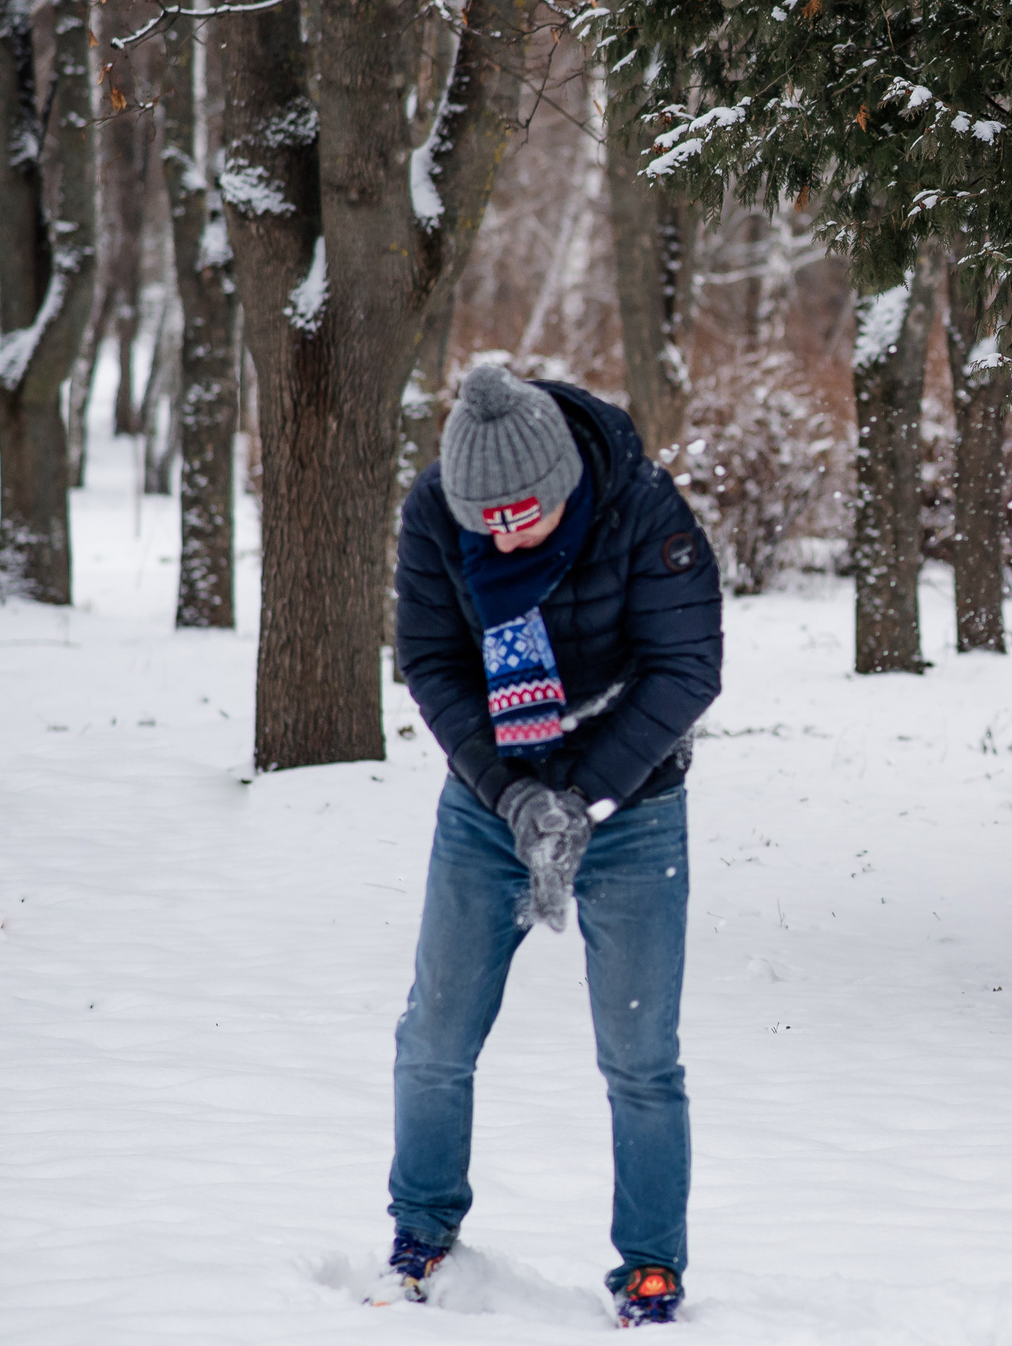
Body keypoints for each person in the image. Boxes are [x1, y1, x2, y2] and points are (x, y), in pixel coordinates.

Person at [377, 363, 723, 1326]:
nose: (501, 534)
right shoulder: (434, 515)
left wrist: (585, 797)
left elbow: (689, 666)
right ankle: (422, 1226)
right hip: (491, 807)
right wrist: (516, 795)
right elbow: (433, 663)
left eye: (521, 514)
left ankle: (651, 1265)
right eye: (482, 517)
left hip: (633, 806)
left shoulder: (641, 508)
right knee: (435, 1034)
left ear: (564, 479)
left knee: (641, 1057)